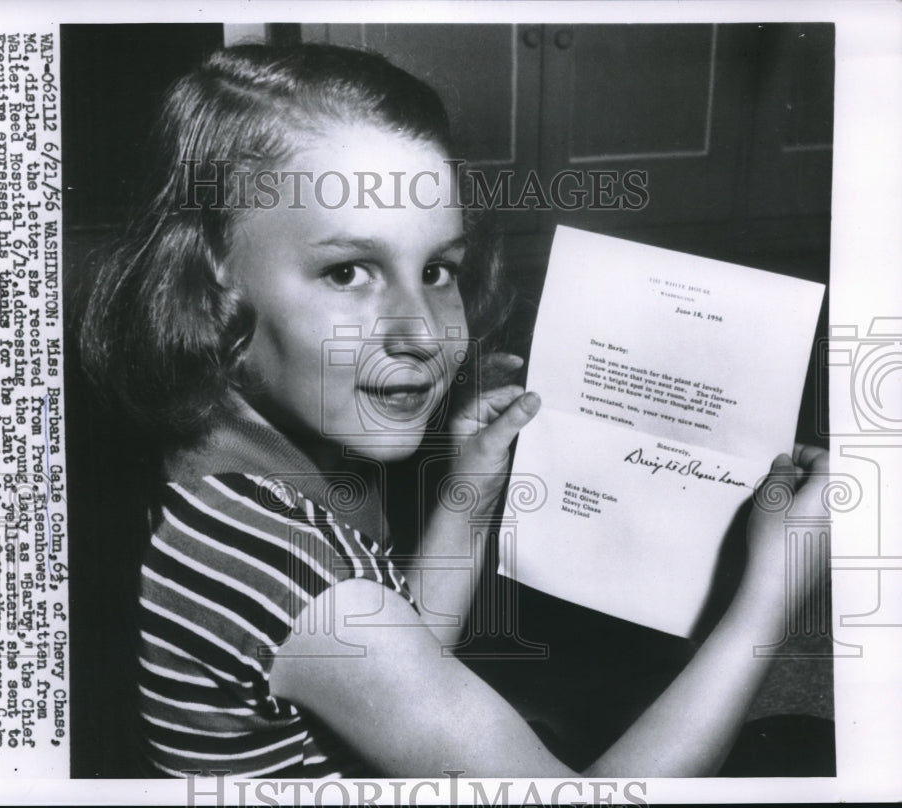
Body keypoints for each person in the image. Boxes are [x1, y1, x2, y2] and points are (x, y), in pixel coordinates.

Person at [79, 42, 830, 779]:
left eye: (438, 269)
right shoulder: (295, 578)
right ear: (210, 292)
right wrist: (770, 593)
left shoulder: (212, 470)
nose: (425, 332)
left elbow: (396, 647)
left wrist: (468, 492)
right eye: (347, 272)